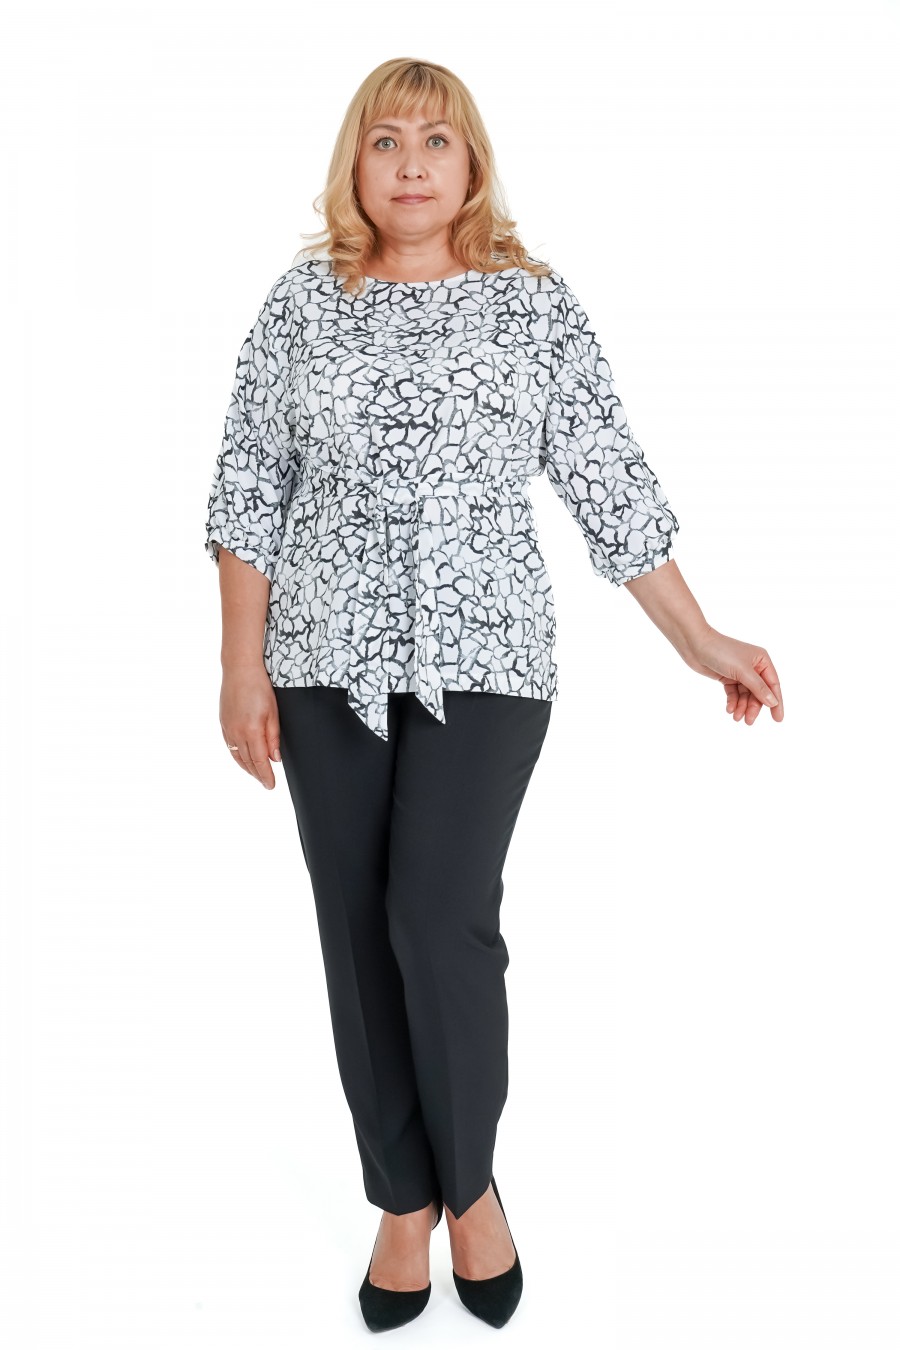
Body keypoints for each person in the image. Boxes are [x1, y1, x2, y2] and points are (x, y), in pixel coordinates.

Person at [204, 57, 785, 1333]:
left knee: (437, 916)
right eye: (386, 140)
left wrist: (698, 638)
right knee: (357, 930)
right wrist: (241, 666)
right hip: (323, 658)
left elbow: (605, 472)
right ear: (354, 164)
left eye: (438, 141)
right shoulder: (301, 303)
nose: (411, 164)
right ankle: (400, 1198)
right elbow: (249, 484)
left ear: (472, 165)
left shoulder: (531, 304)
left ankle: (470, 1187)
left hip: (488, 655)